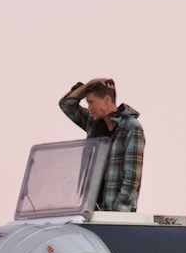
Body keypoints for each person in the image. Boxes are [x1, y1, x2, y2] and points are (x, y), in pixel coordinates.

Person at [59, 77, 145, 212]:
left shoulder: (131, 127)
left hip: (114, 217)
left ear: (106, 100)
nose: (89, 108)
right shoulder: (93, 123)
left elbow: (132, 178)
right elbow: (67, 105)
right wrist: (88, 85)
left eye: (91, 102)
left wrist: (117, 214)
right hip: (90, 211)